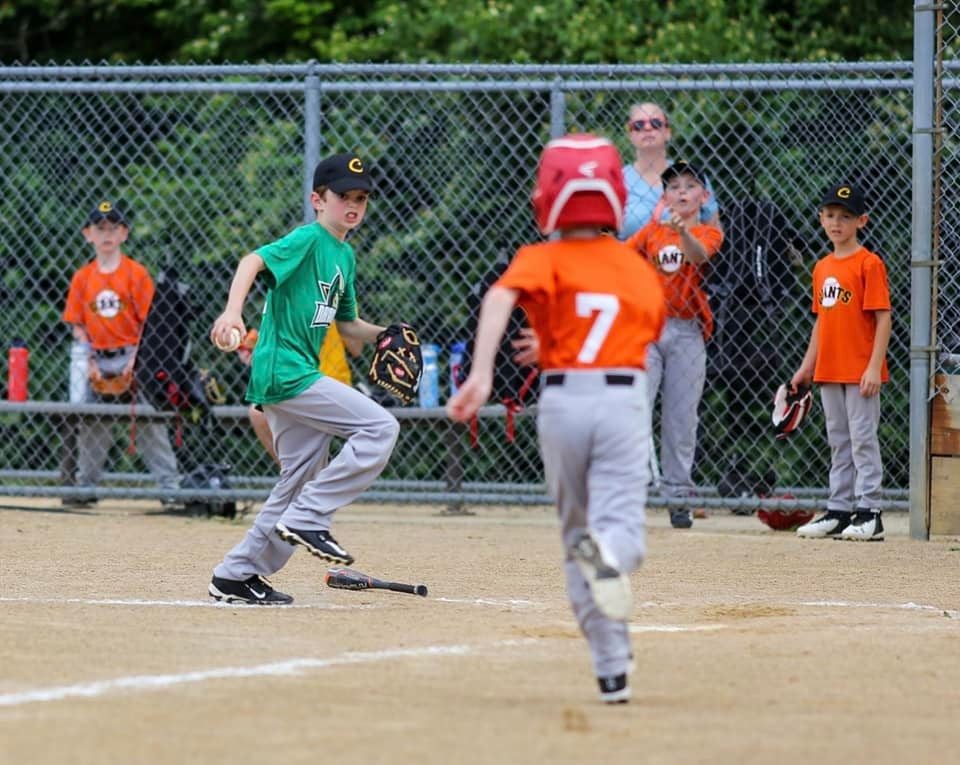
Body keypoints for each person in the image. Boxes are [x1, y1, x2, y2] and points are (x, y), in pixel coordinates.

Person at [448, 134, 666, 704]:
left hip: (562, 404)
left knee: (576, 537)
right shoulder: (633, 264)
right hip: (621, 400)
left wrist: (482, 372)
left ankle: (611, 666)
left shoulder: (538, 258)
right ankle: (612, 560)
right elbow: (640, 332)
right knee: (621, 530)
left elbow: (500, 299)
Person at [207, 152, 400, 605]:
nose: (353, 205)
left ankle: (234, 576)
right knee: (379, 427)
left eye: (361, 198)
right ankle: (311, 516)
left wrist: (386, 335)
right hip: (285, 370)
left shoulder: (344, 255)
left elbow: (348, 327)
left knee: (296, 480)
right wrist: (233, 311)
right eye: (342, 197)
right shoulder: (309, 239)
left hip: (296, 372)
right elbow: (251, 261)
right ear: (318, 199)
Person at [625, 162, 724, 529]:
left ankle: (678, 495)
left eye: (690, 185)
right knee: (637, 408)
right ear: (664, 196)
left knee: (681, 418)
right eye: (674, 186)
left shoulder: (708, 232)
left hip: (687, 331)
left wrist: (682, 232)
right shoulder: (652, 232)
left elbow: (699, 256)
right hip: (648, 330)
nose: (682, 192)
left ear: (703, 196)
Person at [62, 200, 180, 507]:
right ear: (88, 234)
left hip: (132, 353)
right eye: (99, 228)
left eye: (113, 228)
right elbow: (78, 326)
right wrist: (89, 362)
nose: (106, 234)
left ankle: (170, 489)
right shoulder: (82, 277)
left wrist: (134, 361)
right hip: (95, 355)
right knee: (92, 421)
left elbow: (149, 325)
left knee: (148, 420)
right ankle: (85, 488)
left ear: (124, 233)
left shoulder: (136, 274)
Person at [792, 183, 891, 542]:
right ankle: (839, 509)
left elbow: (883, 318)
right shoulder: (821, 268)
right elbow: (821, 321)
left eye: (846, 217)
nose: (837, 222)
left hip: (861, 369)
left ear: (861, 221)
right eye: (831, 215)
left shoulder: (869, 263)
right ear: (821, 218)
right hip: (829, 369)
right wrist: (805, 368)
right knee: (839, 440)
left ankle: (870, 512)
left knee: (863, 438)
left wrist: (873, 367)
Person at [246, 322, 363, 466]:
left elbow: (356, 349)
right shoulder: (283, 304)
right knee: (258, 413)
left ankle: (308, 478)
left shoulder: (338, 300)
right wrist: (256, 355)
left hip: (335, 381)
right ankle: (297, 474)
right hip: (298, 382)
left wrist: (342, 316)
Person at [621, 102, 720, 239]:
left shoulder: (691, 174)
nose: (648, 128)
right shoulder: (619, 180)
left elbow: (713, 229)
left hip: (686, 258)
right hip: (631, 258)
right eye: (639, 125)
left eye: (655, 123)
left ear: (667, 132)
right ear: (630, 135)